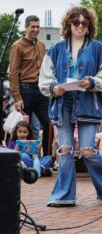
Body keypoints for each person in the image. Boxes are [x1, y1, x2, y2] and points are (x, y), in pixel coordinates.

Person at [38, 6, 102, 207]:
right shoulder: (56, 49)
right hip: (63, 103)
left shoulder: (97, 48)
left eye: (85, 22)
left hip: (87, 103)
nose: (80, 26)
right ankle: (64, 196)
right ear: (69, 24)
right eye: (76, 22)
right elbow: (44, 78)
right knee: (65, 149)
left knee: (87, 150)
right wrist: (53, 88)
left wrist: (91, 82)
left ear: (89, 26)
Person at [8, 15, 51, 156]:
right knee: (26, 127)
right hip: (25, 91)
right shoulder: (17, 46)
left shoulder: (41, 45)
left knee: (49, 123)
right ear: (26, 27)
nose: (36, 29)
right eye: (33, 26)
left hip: (41, 91)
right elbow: (13, 73)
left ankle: (47, 158)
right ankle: (27, 158)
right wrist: (17, 97)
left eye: (38, 26)